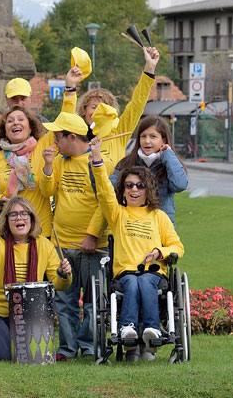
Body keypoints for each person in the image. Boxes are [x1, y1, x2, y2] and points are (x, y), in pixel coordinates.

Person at [91, 160, 185, 361]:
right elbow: (105, 193)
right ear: (123, 190)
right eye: (129, 185)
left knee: (143, 280)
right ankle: (127, 328)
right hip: (125, 272)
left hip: (153, 273)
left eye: (140, 185)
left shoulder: (159, 217)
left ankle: (152, 328)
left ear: (148, 189)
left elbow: (177, 247)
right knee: (133, 282)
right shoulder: (118, 214)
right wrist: (98, 162)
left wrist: (159, 253)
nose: (134, 189)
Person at [0, 196, 72, 361]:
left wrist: (63, 274)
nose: (19, 218)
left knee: (29, 356)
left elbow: (59, 284)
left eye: (24, 213)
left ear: (31, 218)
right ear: (6, 220)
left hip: (28, 314)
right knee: (5, 356)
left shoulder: (44, 245)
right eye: (13, 215)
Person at [43, 111, 109, 361]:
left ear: (72, 137)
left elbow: (106, 202)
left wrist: (92, 235)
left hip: (92, 247)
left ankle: (89, 345)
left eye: (57, 137)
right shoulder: (59, 160)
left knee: (93, 301)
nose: (54, 142)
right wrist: (48, 166)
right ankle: (67, 348)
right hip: (62, 244)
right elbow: (47, 190)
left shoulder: (96, 161)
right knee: (65, 300)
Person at [66, 46, 160, 166]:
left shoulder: (119, 133)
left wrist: (149, 68)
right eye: (94, 107)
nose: (98, 113)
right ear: (84, 110)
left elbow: (137, 104)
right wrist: (70, 86)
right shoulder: (73, 136)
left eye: (105, 109)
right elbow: (66, 117)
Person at [0, 107, 56, 241]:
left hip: (40, 232)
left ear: (30, 127)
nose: (15, 123)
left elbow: (65, 121)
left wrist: (69, 92)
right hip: (6, 232)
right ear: (5, 130)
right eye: (10, 121)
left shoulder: (42, 147)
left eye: (21, 119)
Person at [94, 115, 188, 227]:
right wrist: (95, 161)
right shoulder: (127, 163)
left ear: (163, 140)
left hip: (160, 230)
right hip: (131, 229)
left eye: (153, 136)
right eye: (143, 136)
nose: (147, 141)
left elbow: (180, 185)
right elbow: (106, 190)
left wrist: (168, 155)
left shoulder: (169, 163)